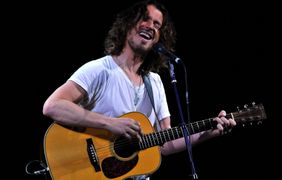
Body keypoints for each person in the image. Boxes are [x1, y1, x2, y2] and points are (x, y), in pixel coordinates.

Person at [42, 0, 236, 179]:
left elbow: (165, 143)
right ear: (127, 25)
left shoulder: (155, 83)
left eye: (157, 25)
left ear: (159, 39)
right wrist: (110, 124)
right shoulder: (100, 70)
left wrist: (209, 132)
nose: (150, 26)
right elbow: (52, 106)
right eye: (145, 19)